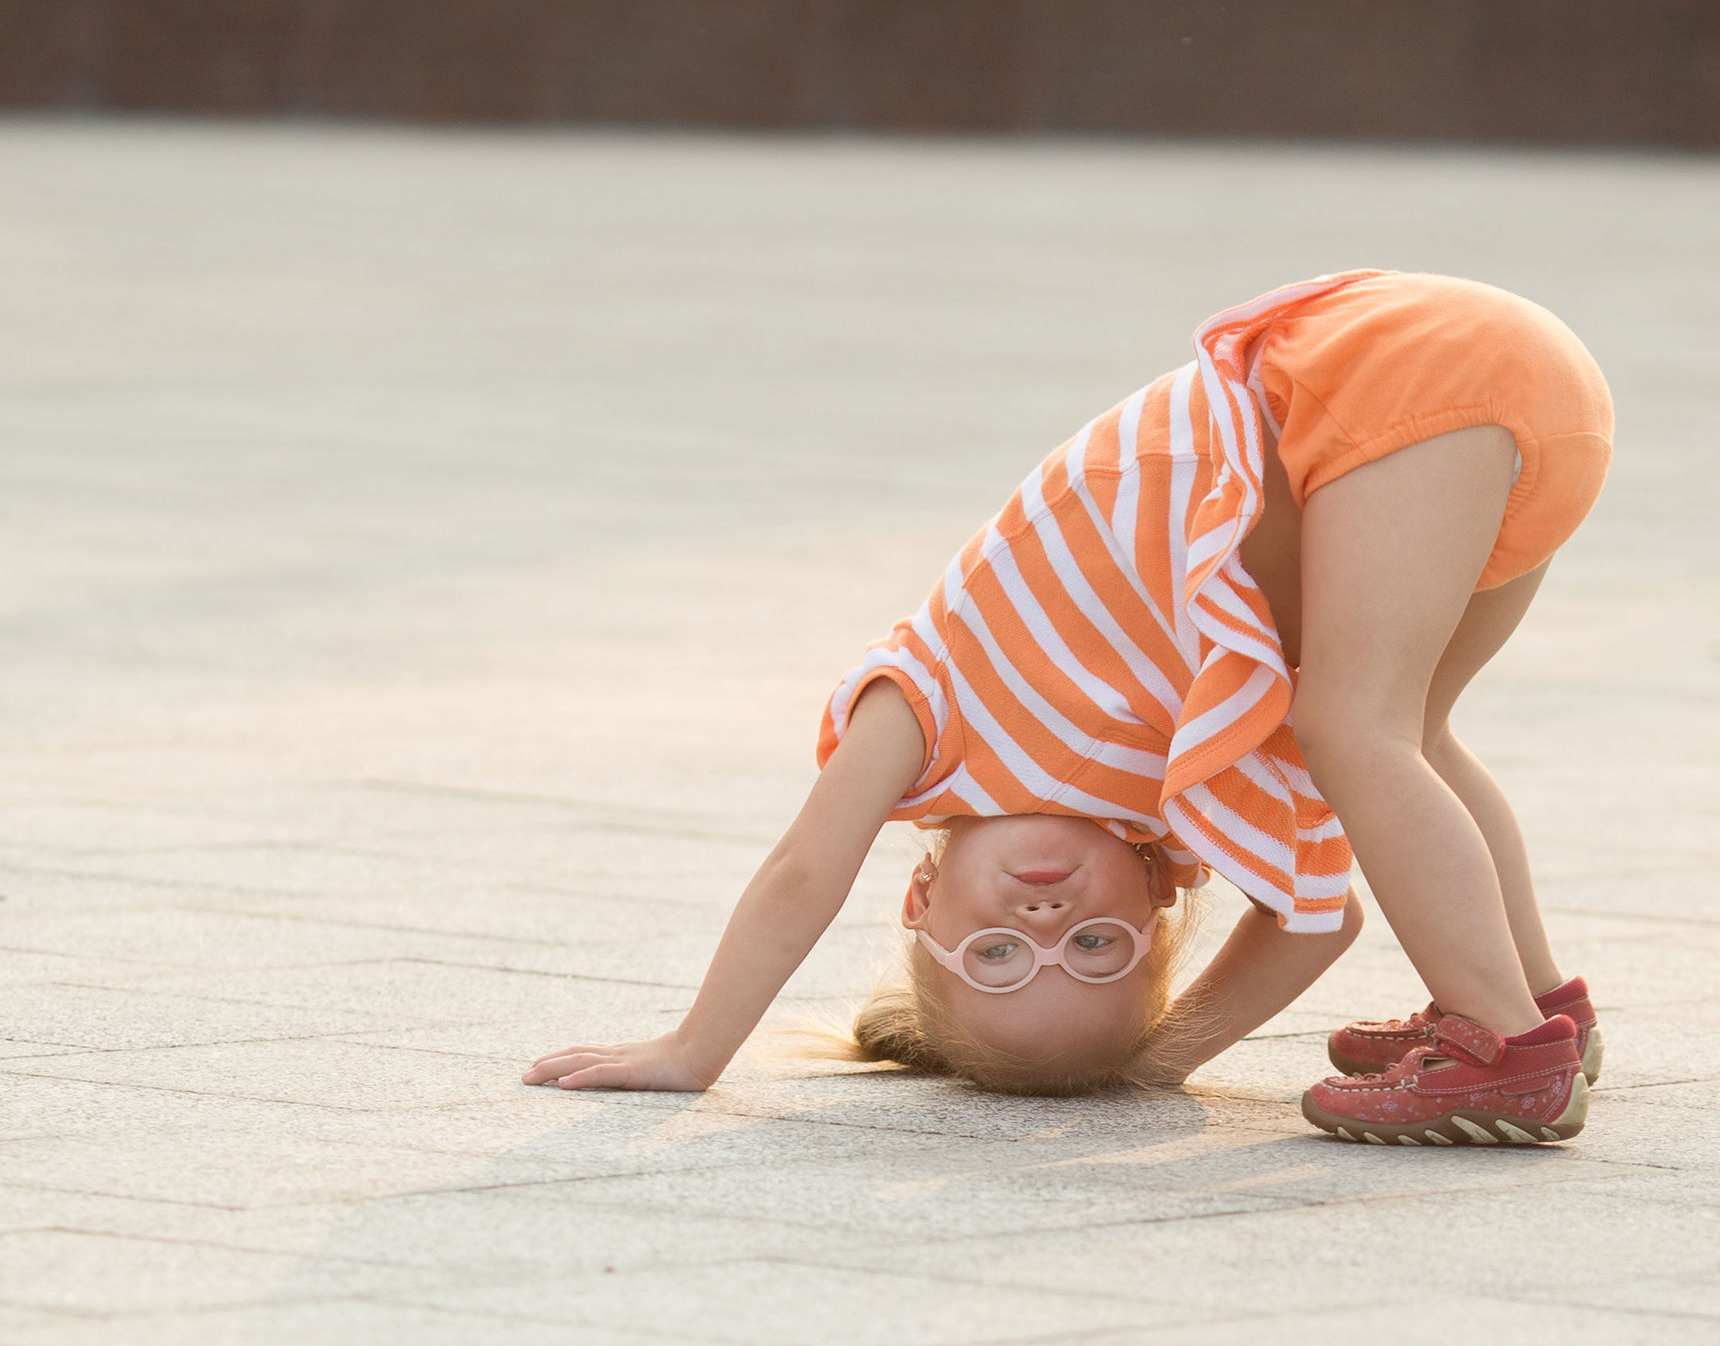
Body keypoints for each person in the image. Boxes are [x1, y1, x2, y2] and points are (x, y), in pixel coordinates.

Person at [525, 270, 1613, 1146]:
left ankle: (1505, 1049)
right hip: (1487, 413)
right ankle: (1534, 1005)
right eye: (1096, 946)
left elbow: (803, 869)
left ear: (921, 895)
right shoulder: (1185, 785)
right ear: (1151, 897)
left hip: (1380, 376)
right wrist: (1157, 1061)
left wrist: (697, 1049)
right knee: (1401, 734)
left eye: (995, 953)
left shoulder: (927, 718)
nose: (1043, 926)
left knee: (1355, 727)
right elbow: (1318, 915)